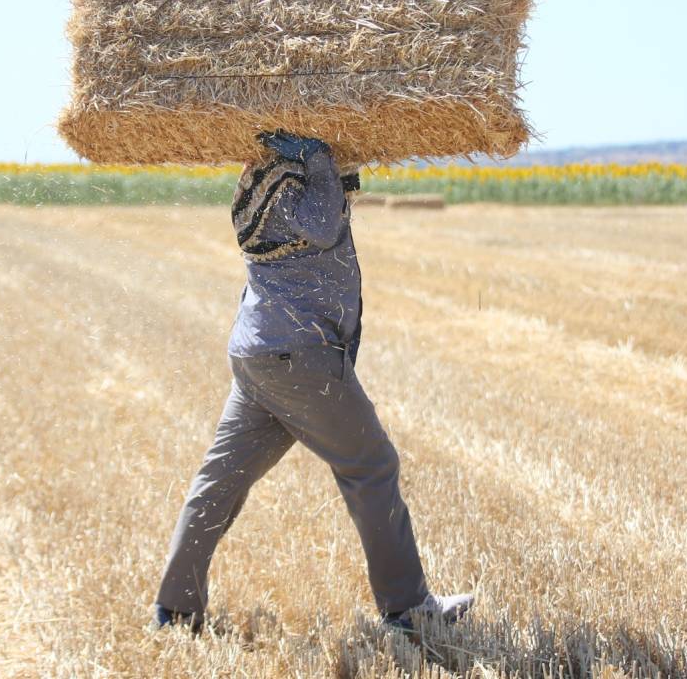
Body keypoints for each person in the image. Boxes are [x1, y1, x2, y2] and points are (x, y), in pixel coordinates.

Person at [153, 130, 472, 633]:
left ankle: (174, 610)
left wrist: (326, 162)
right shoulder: (283, 178)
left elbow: (331, 206)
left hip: (259, 353)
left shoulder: (258, 183)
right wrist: (320, 154)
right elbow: (323, 224)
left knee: (221, 480)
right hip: (299, 354)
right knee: (372, 466)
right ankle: (408, 610)